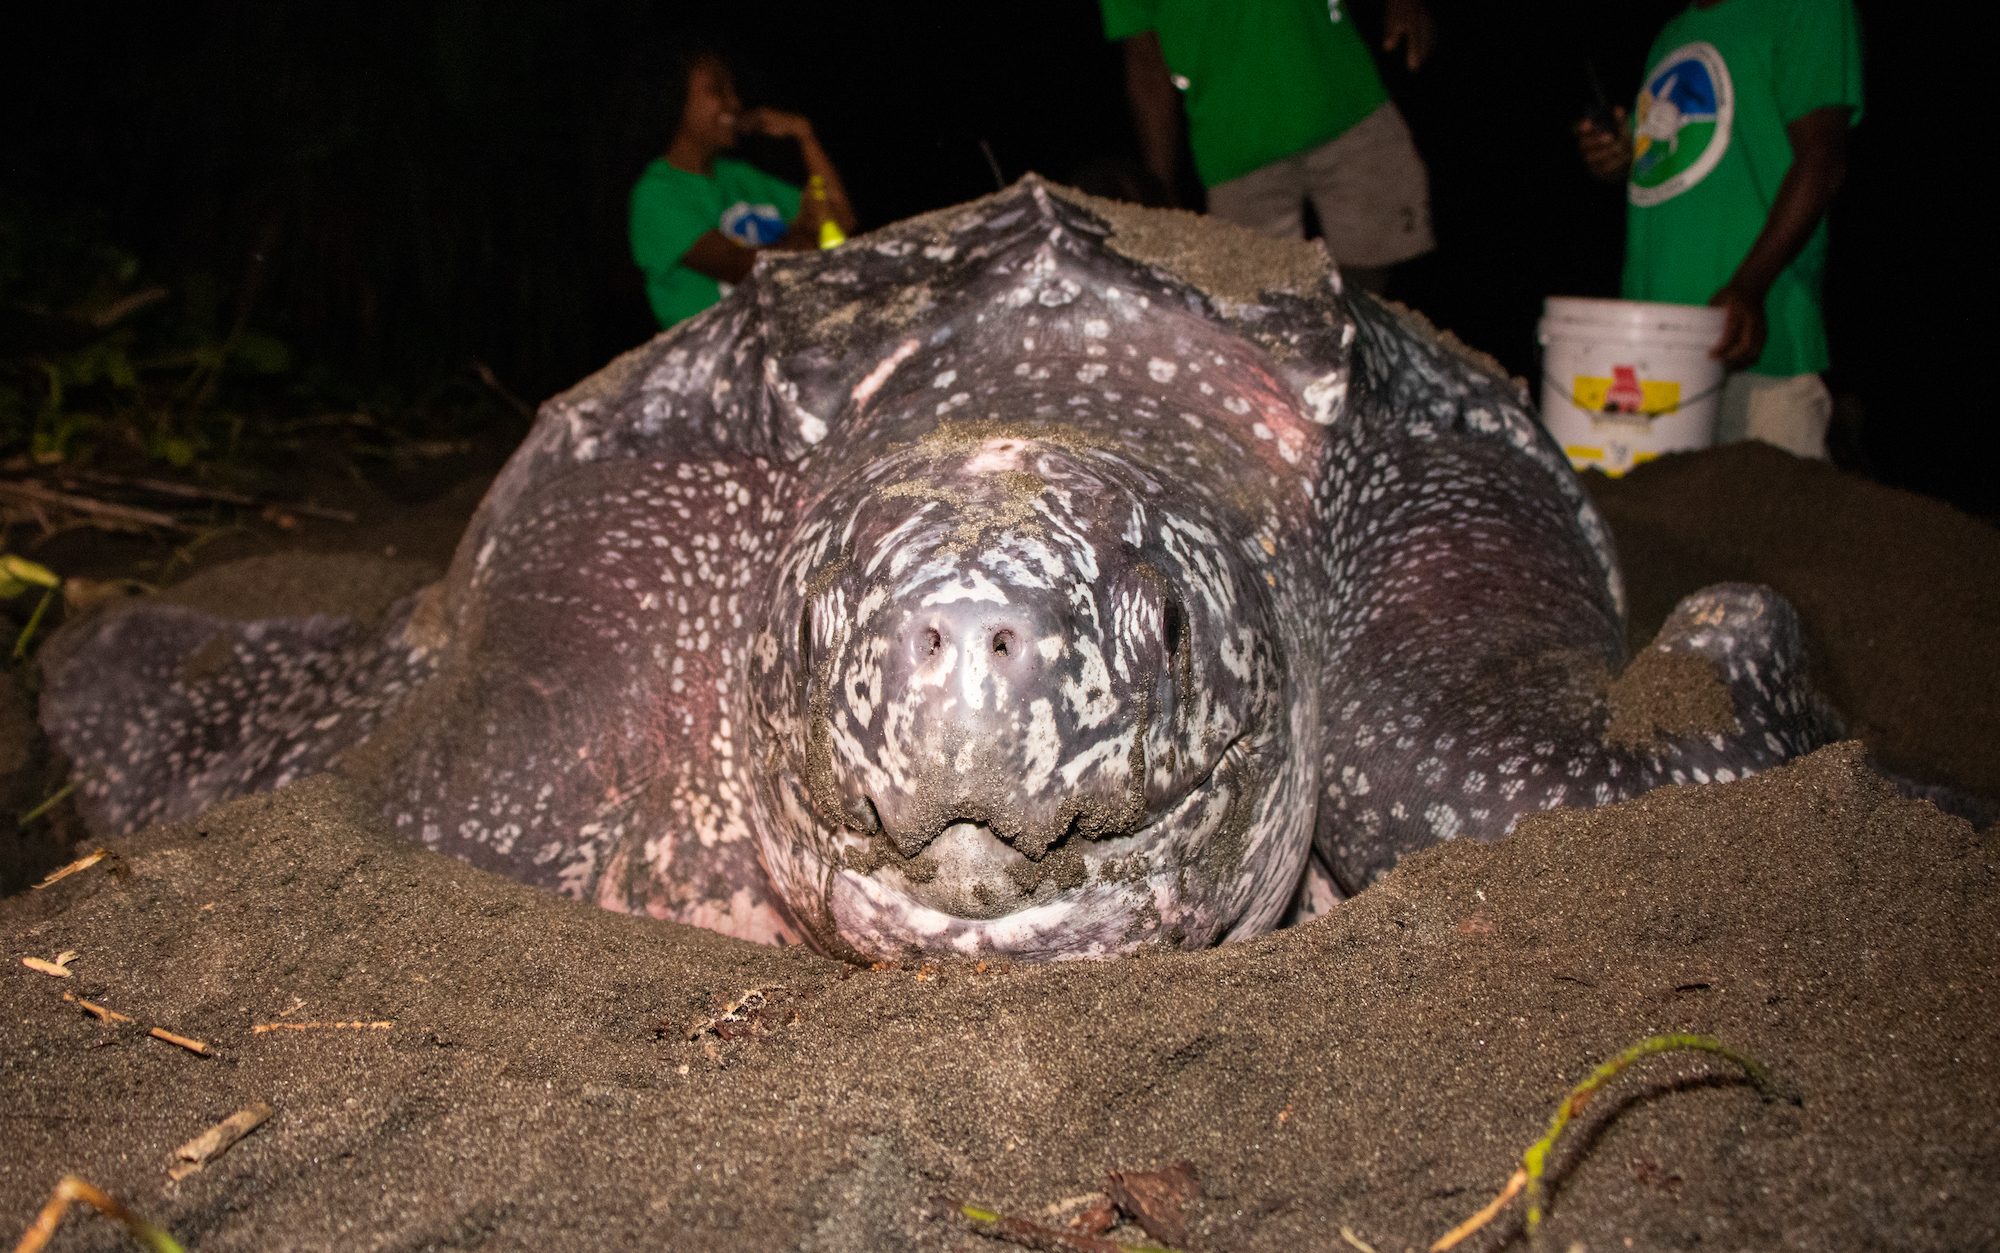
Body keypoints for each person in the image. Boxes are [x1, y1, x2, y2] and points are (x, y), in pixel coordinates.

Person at [1577, 0, 1861, 459]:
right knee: (1663, 525)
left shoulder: (1810, 8)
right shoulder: (1674, 31)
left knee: (1773, 523)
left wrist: (1749, 287)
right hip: (1655, 347)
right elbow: (1673, 167)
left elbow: (1822, 164)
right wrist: (1620, 158)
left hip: (1756, 346)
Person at [1100, 0, 1439, 294]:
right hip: (1234, 147)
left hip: (1343, 107)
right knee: (1259, 303)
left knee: (1378, 274)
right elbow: (1145, 60)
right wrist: (1159, 187)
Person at [629, 48, 857, 329]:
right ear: (673, 98)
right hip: (718, 362)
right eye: (718, 91)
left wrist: (804, 135)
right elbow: (744, 268)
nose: (735, 103)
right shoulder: (657, 194)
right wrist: (806, 232)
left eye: (732, 90)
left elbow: (842, 221)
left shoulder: (740, 177)